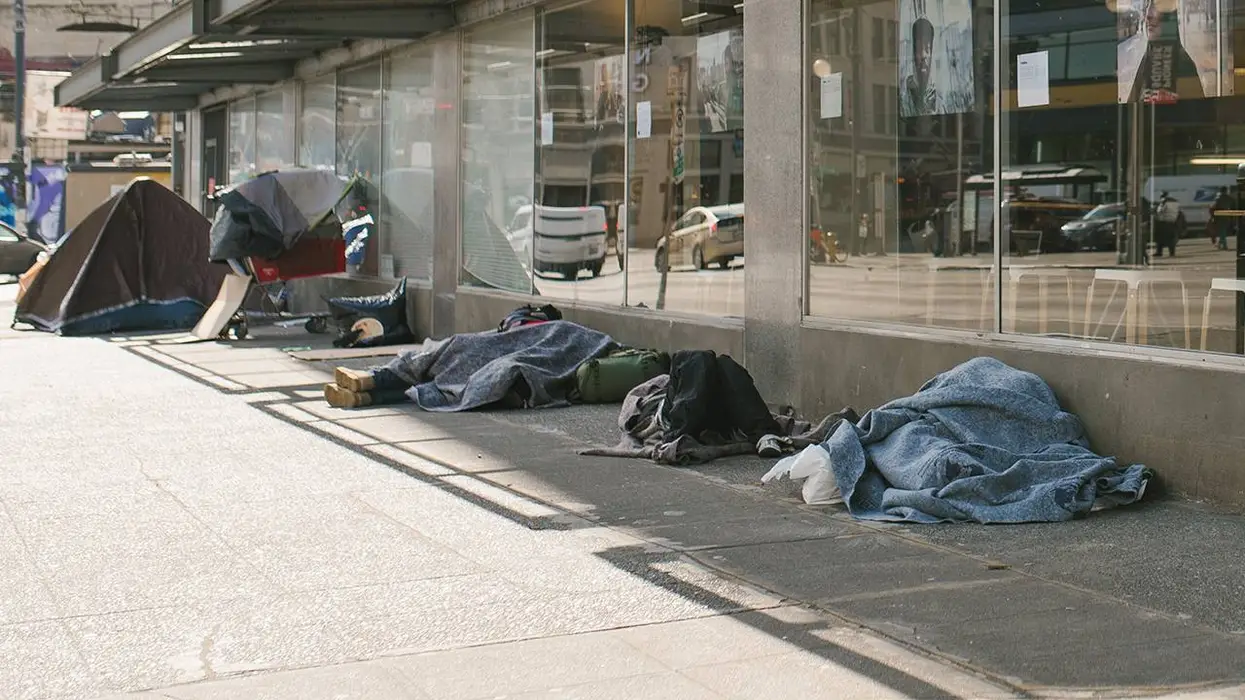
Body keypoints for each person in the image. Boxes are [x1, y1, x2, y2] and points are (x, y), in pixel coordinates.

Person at [902, 17, 938, 117]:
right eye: (918, 48)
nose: (923, 55)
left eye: (927, 49)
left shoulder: (939, 94)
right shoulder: (906, 93)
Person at [1154, 191, 1180, 257]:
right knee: (1171, 239)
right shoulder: (1176, 202)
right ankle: (1172, 253)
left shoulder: (1164, 202)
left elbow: (1160, 211)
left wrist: (1156, 210)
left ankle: (1159, 252)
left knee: (1160, 238)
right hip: (1173, 221)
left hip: (1164, 222)